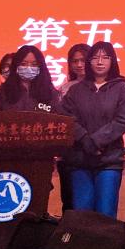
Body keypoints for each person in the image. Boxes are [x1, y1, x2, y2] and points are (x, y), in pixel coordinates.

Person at [61, 41, 125, 218]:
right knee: (81, 214)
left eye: (105, 57)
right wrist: (85, 140)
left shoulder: (122, 89)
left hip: (109, 160)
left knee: (105, 214)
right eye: (95, 57)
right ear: (89, 61)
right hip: (80, 159)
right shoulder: (75, 90)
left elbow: (122, 121)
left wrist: (95, 141)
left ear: (112, 61)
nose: (100, 62)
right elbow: (67, 117)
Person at [57, 43, 90, 211]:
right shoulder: (64, 88)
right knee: (69, 201)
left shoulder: (103, 86)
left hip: (94, 150)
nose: (79, 65)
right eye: (74, 61)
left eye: (83, 60)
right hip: (69, 152)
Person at [0, 45, 58, 113]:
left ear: (41, 67)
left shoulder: (50, 92)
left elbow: (58, 117)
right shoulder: (3, 91)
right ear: (15, 66)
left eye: (34, 64)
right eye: (23, 64)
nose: (29, 68)